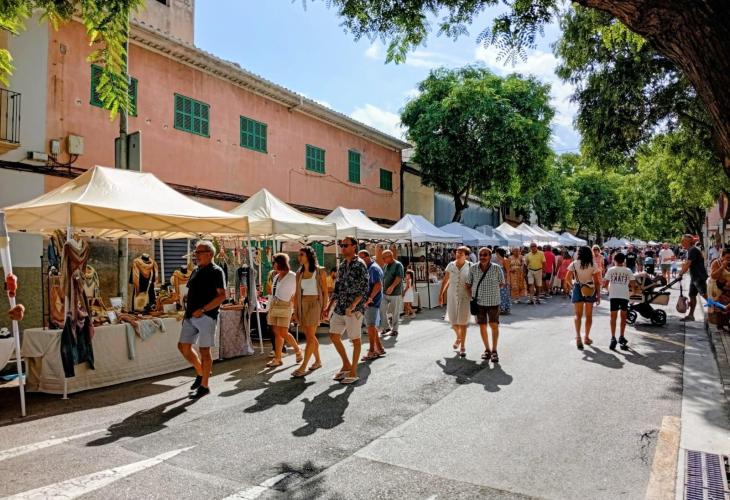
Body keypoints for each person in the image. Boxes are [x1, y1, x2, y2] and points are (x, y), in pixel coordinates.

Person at [178, 240, 227, 399]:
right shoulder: (196, 270)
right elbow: (192, 291)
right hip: (190, 315)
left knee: (204, 350)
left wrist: (204, 309)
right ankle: (201, 372)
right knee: (183, 346)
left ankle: (204, 385)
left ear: (210, 254)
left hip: (206, 316)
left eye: (199, 252)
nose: (196, 255)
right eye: (196, 252)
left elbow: (222, 296)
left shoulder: (216, 271)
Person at [326, 236, 369, 384]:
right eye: (341, 245)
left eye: (345, 245)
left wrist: (353, 305)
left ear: (354, 247)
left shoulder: (360, 264)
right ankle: (346, 364)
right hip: (340, 308)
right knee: (333, 335)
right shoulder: (343, 264)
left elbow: (364, 288)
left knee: (355, 340)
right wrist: (328, 306)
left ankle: (353, 371)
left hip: (353, 309)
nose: (342, 248)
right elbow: (337, 288)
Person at [291, 246, 328, 377]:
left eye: (301, 254)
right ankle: (318, 361)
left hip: (315, 305)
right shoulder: (299, 273)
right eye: (299, 255)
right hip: (303, 305)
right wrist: (295, 310)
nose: (299, 257)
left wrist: (324, 308)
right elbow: (297, 293)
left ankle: (303, 366)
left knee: (310, 337)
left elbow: (325, 291)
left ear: (309, 256)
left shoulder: (320, 271)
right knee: (309, 336)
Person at [466, 247, 505, 363]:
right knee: (482, 326)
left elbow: (502, 283)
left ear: (490, 256)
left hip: (493, 302)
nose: (482, 257)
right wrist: (471, 297)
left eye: (485, 255)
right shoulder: (473, 268)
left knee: (493, 325)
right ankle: (487, 349)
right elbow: (468, 284)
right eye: (481, 255)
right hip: (479, 302)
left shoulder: (496, 268)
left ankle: (494, 350)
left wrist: (492, 291)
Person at [265, 253, 303, 369]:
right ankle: (278, 358)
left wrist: (295, 308)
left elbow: (299, 291)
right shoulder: (276, 277)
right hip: (274, 305)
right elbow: (273, 292)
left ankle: (297, 350)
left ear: (280, 263)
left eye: (274, 262)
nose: (273, 265)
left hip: (285, 305)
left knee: (283, 332)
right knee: (277, 333)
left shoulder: (292, 276)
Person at [566, 246, 602, 350]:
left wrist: (573, 287)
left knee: (578, 315)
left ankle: (578, 337)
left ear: (579, 253)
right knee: (589, 315)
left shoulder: (574, 264)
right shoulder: (593, 264)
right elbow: (597, 281)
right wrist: (598, 295)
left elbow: (567, 278)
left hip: (578, 287)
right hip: (590, 288)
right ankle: (586, 337)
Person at [439, 246, 472, 356]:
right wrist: (441, 294)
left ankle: (462, 346)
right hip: (452, 295)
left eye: (460, 253)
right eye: (457, 252)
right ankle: (459, 337)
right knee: (453, 322)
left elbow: (474, 282)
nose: (457, 255)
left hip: (465, 297)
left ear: (466, 256)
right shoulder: (451, 265)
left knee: (463, 323)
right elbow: (445, 281)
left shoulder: (471, 266)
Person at [603, 253, 636, 350]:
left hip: (614, 295)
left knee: (613, 317)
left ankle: (613, 338)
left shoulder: (611, 270)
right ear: (624, 261)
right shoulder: (628, 270)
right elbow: (633, 284)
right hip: (624, 295)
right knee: (623, 317)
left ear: (614, 260)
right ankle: (621, 336)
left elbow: (605, 284)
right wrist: (632, 291)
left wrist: (608, 290)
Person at [358, 249, 386, 361]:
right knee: (372, 325)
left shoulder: (373, 268)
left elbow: (378, 285)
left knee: (370, 326)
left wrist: (369, 298)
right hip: (372, 301)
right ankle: (379, 348)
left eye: (360, 258)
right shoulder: (371, 267)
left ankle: (372, 351)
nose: (359, 261)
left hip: (372, 302)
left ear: (367, 257)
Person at [679, 234, 708, 322]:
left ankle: (719, 311)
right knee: (692, 295)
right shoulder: (690, 250)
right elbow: (687, 263)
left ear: (688, 242)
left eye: (683, 241)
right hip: (694, 277)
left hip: (699, 277)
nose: (681, 242)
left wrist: (681, 273)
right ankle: (691, 315)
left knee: (705, 295)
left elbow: (688, 263)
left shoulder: (693, 250)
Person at [380, 249, 405, 338]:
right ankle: (386, 327)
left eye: (384, 258)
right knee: (382, 309)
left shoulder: (398, 265)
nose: (383, 259)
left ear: (390, 256)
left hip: (395, 293)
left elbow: (399, 277)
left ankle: (395, 330)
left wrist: (392, 287)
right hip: (385, 293)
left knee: (395, 312)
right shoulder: (386, 265)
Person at [493, 247, 511, 314]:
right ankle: (504, 308)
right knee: (502, 295)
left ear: (498, 253)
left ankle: (503, 309)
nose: (496, 255)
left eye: (496, 253)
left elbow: (508, 271)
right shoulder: (500, 260)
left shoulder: (505, 260)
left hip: (504, 280)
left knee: (503, 295)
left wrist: (507, 281)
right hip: (499, 280)